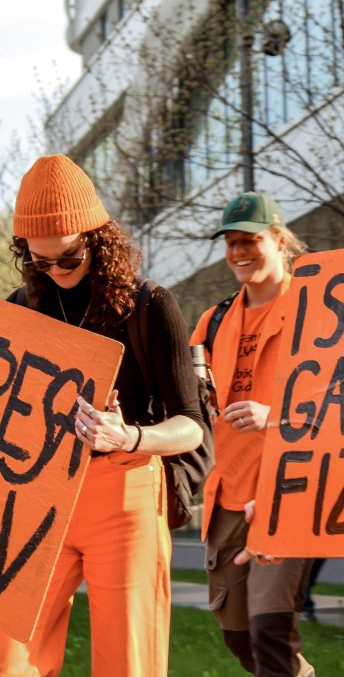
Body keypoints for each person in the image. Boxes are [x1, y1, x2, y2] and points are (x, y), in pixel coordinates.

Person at [0, 154, 205, 677]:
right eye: (39, 262)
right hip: (37, 492)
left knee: (126, 658)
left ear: (98, 238)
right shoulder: (19, 309)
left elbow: (191, 425)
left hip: (124, 491)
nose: (54, 273)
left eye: (67, 259)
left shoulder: (150, 305)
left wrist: (129, 436)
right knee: (10, 654)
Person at [190, 192, 314, 677]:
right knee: (239, 636)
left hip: (291, 490)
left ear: (280, 241)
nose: (240, 251)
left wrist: (276, 416)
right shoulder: (212, 321)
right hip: (228, 494)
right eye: (232, 242)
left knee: (270, 631)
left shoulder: (318, 311)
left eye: (252, 240)